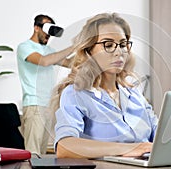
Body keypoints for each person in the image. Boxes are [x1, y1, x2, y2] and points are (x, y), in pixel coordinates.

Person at [52, 13, 158, 158]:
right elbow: (64, 148)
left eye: (122, 45)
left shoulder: (135, 94)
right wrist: (129, 149)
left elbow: (161, 135)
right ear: (89, 50)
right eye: (108, 45)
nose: (118, 52)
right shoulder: (76, 94)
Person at [17, 14, 74, 155]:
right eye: (46, 29)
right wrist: (74, 47)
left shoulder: (49, 51)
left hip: (48, 106)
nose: (48, 35)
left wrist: (85, 47)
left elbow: (71, 63)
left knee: (42, 154)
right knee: (32, 153)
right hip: (34, 105)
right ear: (36, 28)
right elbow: (44, 61)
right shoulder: (25, 47)